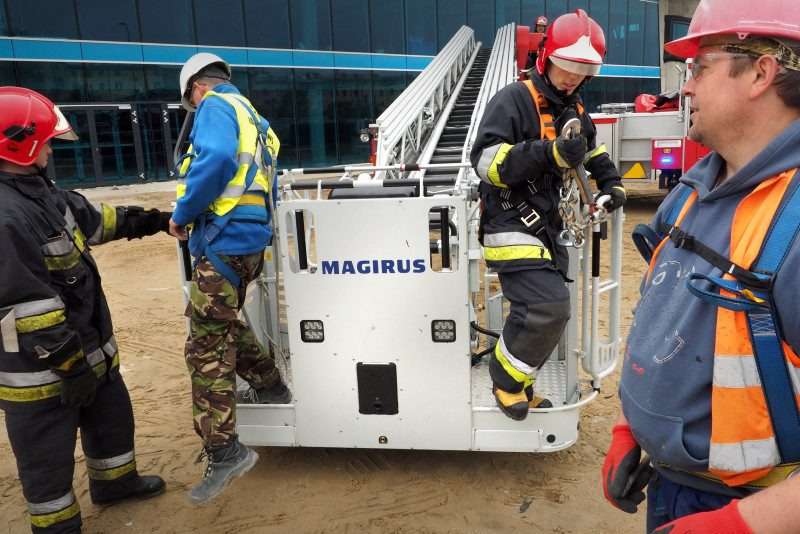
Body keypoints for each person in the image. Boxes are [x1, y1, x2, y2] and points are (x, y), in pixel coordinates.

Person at [601, 1, 800, 532]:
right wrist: (628, 429)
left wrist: (738, 525)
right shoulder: (691, 192)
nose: (685, 87)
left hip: (754, 511)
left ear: (761, 72)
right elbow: (662, 323)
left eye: (700, 67)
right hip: (674, 491)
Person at [0, 87, 169, 533]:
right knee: (45, 453)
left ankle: (115, 483)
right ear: (19, 146)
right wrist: (71, 367)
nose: (52, 149)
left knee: (111, 418)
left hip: (85, 347)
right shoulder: (7, 216)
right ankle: (56, 525)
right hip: (42, 369)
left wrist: (157, 221)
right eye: (46, 141)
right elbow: (27, 308)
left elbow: (98, 221)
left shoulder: (40, 193)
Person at [470, 9, 625, 421]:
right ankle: (506, 380)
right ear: (545, 58)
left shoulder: (572, 107)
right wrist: (549, 153)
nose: (573, 77)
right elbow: (485, 162)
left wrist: (612, 183)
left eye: (582, 71)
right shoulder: (513, 100)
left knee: (540, 312)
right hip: (509, 225)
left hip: (545, 227)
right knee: (548, 307)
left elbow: (590, 150)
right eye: (566, 66)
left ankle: (521, 383)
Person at [170, 52, 288, 505]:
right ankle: (271, 384)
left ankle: (224, 451)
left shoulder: (216, 106)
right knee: (220, 324)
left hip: (222, 241)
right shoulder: (255, 118)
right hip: (249, 244)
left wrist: (183, 214)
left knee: (204, 348)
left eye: (191, 101)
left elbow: (216, 158)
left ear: (197, 87)